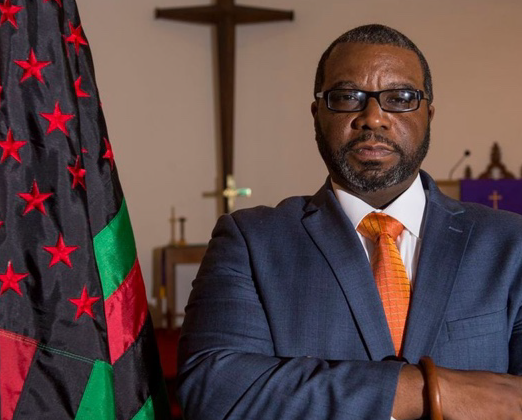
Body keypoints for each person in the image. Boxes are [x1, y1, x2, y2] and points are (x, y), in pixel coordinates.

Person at [176, 24, 522, 419]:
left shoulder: (511, 243)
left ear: (429, 114)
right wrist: (431, 389)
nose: (373, 117)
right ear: (316, 115)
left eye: (400, 98)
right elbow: (214, 388)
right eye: (346, 97)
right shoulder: (251, 241)